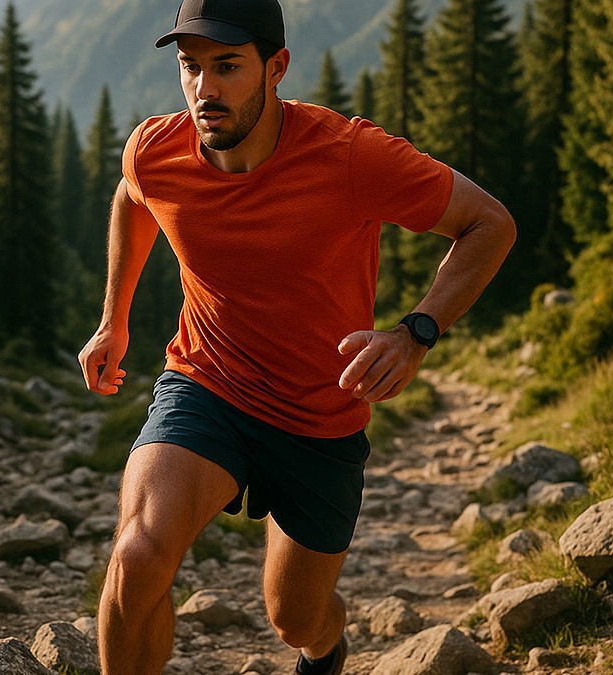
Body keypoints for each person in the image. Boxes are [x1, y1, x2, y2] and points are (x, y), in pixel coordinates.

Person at [77, 0, 516, 672]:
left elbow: (489, 223)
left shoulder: (349, 156)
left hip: (320, 419)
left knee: (295, 617)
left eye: (226, 67)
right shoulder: (156, 150)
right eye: (191, 68)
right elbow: (133, 196)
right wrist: (115, 317)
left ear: (275, 67)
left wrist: (415, 332)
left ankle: (325, 649)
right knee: (136, 558)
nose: (204, 88)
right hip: (206, 385)